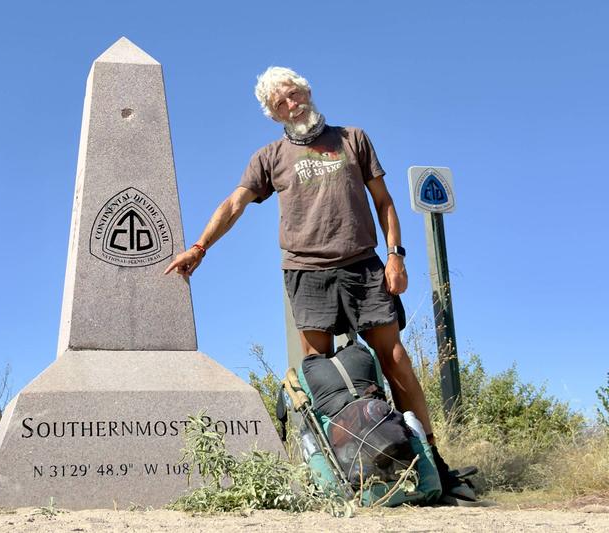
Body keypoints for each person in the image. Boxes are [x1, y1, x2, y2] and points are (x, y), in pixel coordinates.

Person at [164, 66, 473, 501]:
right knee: (322, 370)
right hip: (306, 273)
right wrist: (199, 248)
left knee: (394, 357)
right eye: (280, 103)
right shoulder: (269, 157)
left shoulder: (353, 138)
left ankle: (431, 462)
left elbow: (383, 202)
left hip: (364, 266)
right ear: (274, 115)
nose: (292, 105)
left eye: (293, 94)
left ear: (307, 92)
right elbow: (235, 202)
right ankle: (348, 473)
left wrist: (395, 256)